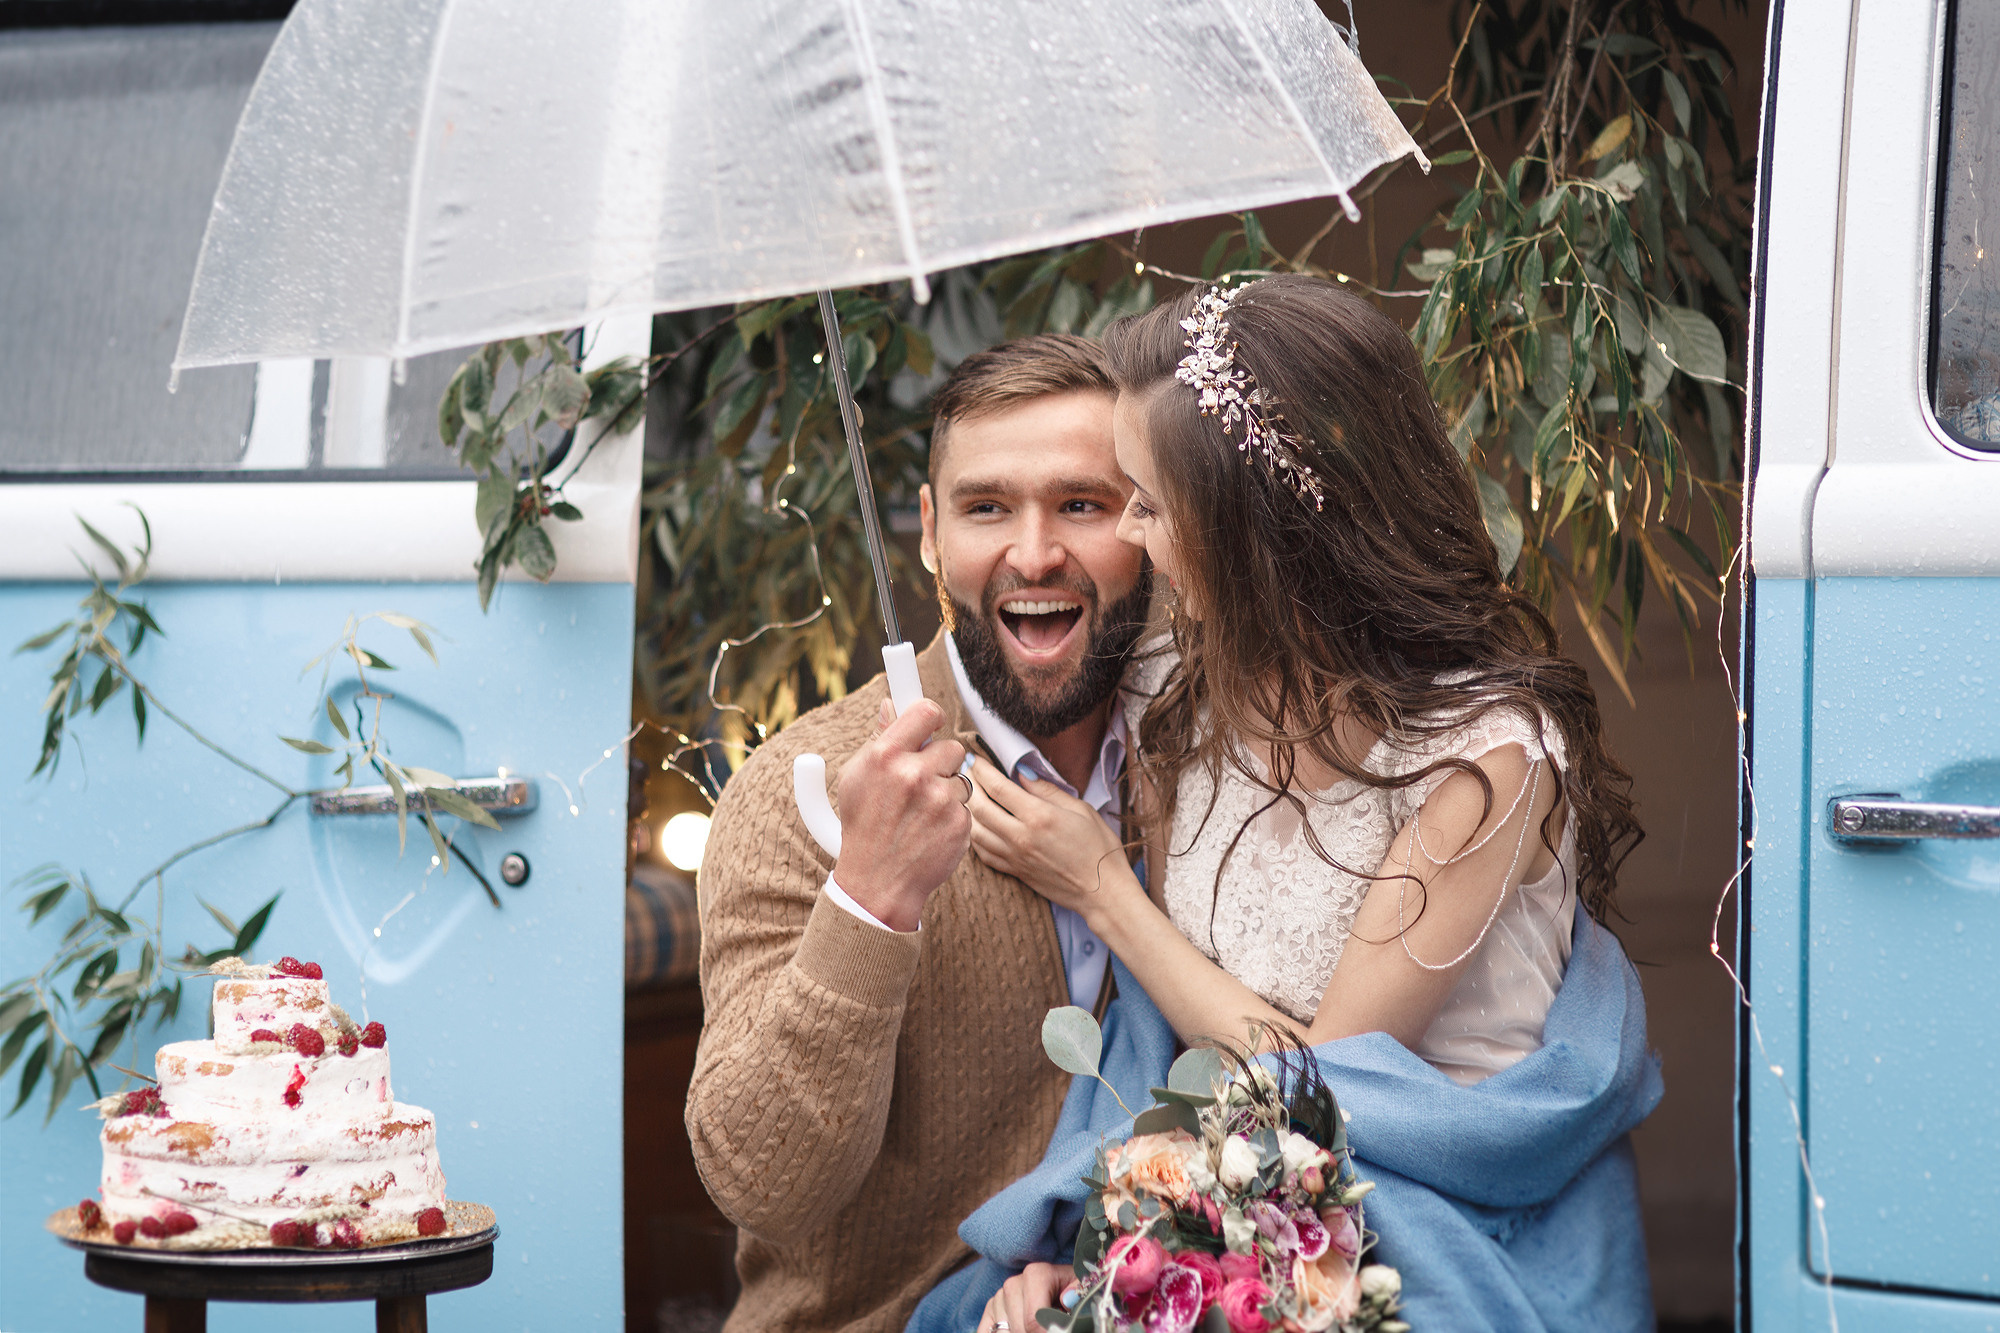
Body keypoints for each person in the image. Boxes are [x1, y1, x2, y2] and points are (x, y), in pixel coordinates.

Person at [962, 276, 1656, 1333]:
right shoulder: (1175, 688)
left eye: (1148, 502)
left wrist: (1104, 889)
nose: (1132, 535)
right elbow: (1174, 1046)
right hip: (1228, 1188)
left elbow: (1320, 1090)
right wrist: (1096, 1245)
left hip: (1434, 1220)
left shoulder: (1482, 759)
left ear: (1249, 527)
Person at [686, 333, 1155, 1333]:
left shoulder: (1206, 761)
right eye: (987, 508)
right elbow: (759, 1182)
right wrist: (870, 897)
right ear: (932, 533)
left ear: (1149, 520)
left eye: (1081, 503)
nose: (1034, 553)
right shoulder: (799, 791)